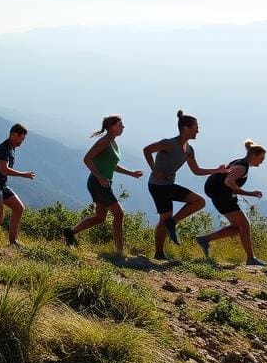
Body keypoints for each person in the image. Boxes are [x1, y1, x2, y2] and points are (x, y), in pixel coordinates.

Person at [143, 110, 229, 260]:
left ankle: (167, 233)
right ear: (185, 128)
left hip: (168, 185)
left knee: (196, 203)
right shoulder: (169, 143)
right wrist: (154, 170)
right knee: (174, 213)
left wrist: (218, 170)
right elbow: (147, 150)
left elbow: (196, 170)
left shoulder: (189, 150)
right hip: (158, 186)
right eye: (195, 127)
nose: (198, 130)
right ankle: (161, 248)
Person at [62, 116, 143, 255]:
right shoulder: (104, 142)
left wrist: (131, 173)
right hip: (97, 183)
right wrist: (100, 178)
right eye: (120, 125)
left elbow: (112, 165)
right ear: (111, 127)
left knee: (100, 218)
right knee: (119, 214)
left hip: (104, 183)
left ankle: (70, 232)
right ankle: (119, 251)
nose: (123, 127)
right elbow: (86, 159)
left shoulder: (112, 143)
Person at [195, 140, 267, 266]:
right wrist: (250, 193)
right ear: (254, 155)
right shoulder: (242, 167)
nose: (261, 163)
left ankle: (205, 239)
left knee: (238, 228)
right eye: (261, 159)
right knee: (244, 225)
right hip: (223, 198)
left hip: (220, 197)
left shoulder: (239, 162)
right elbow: (229, 182)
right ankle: (251, 259)